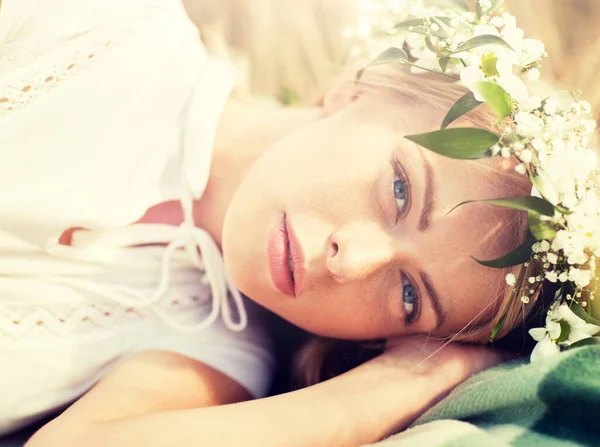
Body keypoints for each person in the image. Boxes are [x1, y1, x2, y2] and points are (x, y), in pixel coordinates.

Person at [0, 0, 594, 446]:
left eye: (410, 295)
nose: (352, 260)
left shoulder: (213, 354)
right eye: (400, 189)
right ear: (361, 88)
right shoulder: (104, 31)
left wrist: (406, 382)